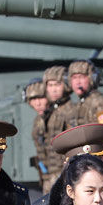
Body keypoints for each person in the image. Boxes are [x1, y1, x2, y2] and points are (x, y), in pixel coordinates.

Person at [39, 65, 77, 193]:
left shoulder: (71, 110)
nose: (53, 89)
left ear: (65, 85)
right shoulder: (51, 111)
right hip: (51, 173)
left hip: (65, 172)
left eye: (57, 84)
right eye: (50, 85)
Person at [68, 60, 103, 128]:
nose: (78, 82)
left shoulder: (100, 102)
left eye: (81, 77)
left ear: (92, 79)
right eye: (74, 78)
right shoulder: (79, 103)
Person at [25, 78, 51, 186]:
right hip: (46, 177)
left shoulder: (59, 117)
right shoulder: (38, 121)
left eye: (41, 97)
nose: (38, 103)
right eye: (33, 99)